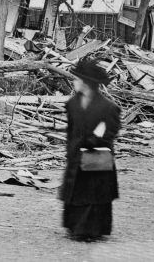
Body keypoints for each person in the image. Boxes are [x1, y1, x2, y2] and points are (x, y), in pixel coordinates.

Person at [59, 57, 122, 241]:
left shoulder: (108, 108)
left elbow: (110, 131)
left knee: (94, 194)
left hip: (97, 157)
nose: (74, 82)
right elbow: (70, 131)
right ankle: (74, 227)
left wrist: (94, 140)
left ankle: (92, 230)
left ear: (87, 83)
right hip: (76, 155)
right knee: (76, 191)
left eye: (77, 79)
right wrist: (70, 151)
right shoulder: (72, 104)